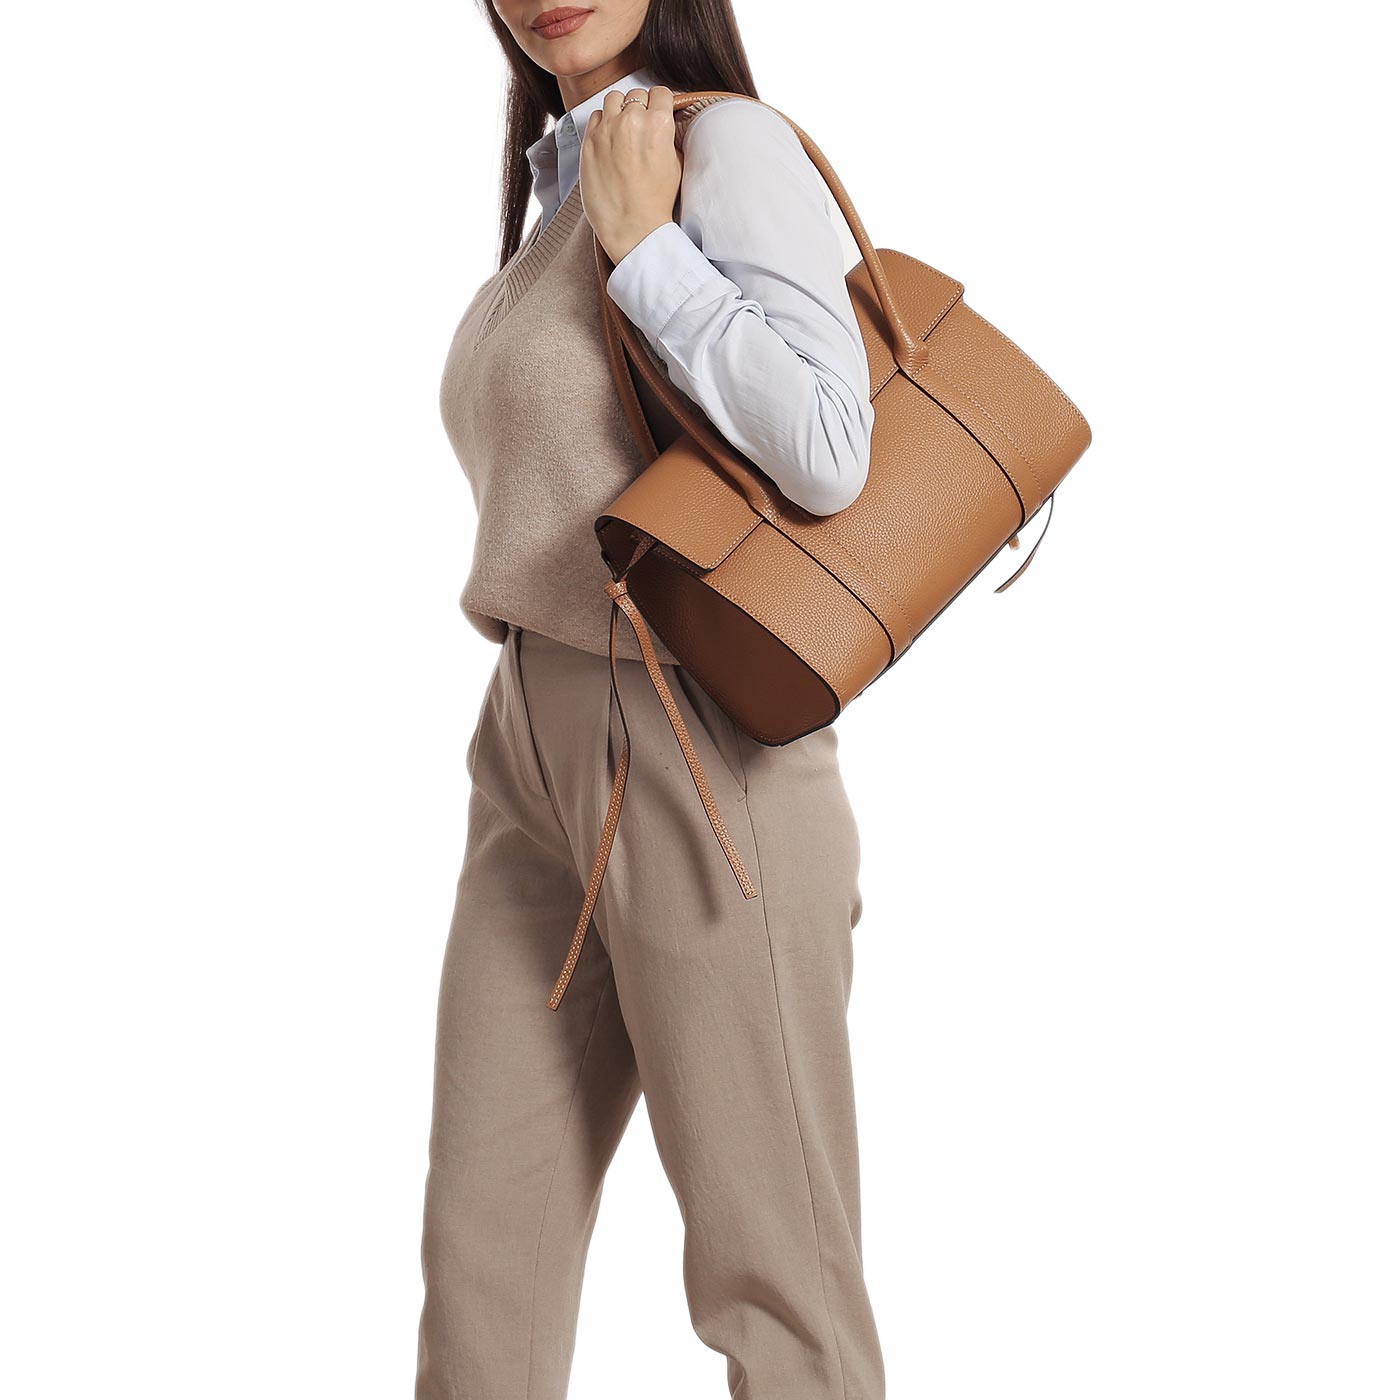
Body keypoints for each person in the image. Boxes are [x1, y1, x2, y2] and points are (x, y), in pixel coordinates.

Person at [416, 3, 882, 1396]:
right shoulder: (566, 180)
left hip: (692, 742)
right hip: (531, 739)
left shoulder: (722, 148)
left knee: (774, 1284)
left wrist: (649, 251)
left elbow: (829, 446)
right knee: (483, 1264)